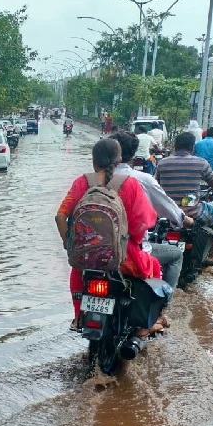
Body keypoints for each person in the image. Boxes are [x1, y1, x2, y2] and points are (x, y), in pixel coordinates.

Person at [55, 138, 165, 336]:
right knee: (154, 266)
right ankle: (144, 325)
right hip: (123, 257)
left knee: (76, 269)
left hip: (85, 257)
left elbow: (60, 216)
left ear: (93, 160)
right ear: (120, 159)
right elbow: (142, 224)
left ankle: (79, 315)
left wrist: (69, 244)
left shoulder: (82, 182)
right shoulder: (130, 184)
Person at [111, 132, 193, 290]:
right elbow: (167, 208)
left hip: (98, 249)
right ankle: (164, 304)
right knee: (176, 255)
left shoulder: (96, 179)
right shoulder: (141, 180)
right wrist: (184, 219)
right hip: (133, 250)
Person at [156, 132, 213, 264]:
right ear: (192, 148)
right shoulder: (201, 163)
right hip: (193, 211)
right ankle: (212, 254)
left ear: (175, 147)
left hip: (166, 212)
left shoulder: (162, 163)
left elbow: (155, 185)